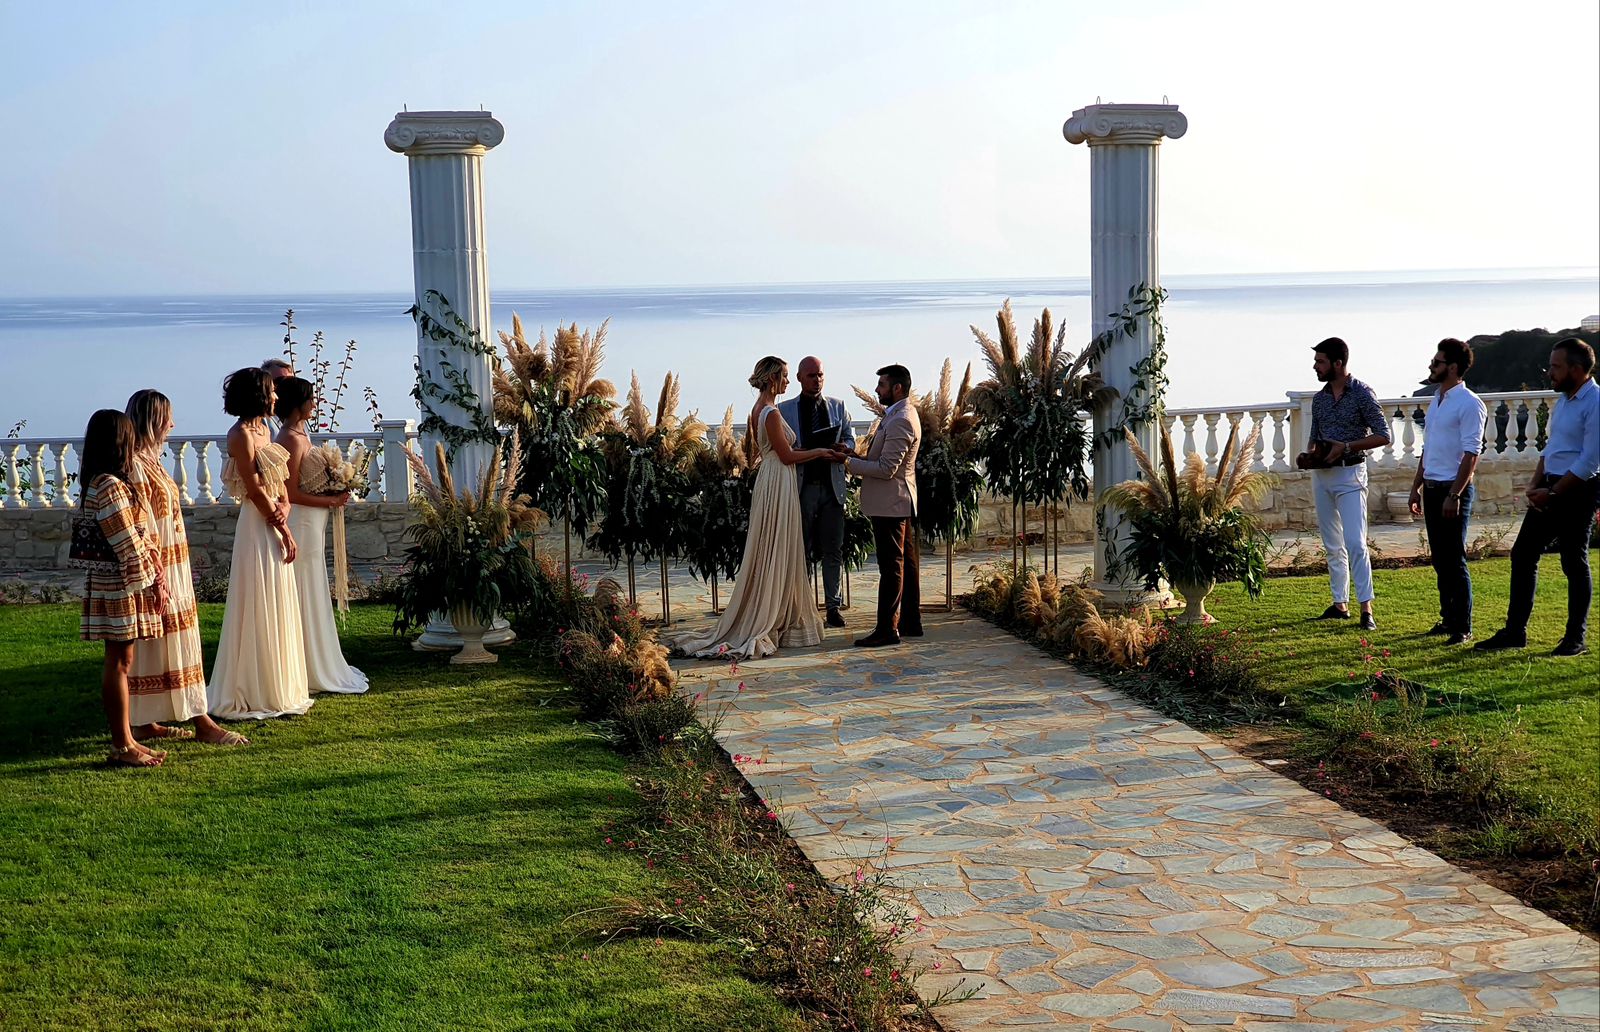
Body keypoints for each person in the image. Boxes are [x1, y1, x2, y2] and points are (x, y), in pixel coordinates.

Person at [669, 356, 842, 660]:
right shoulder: (771, 412)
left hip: (774, 479)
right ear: (773, 378)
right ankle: (769, 616)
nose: (788, 382)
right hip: (778, 480)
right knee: (778, 546)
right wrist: (820, 452)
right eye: (785, 377)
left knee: (777, 547)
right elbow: (787, 455)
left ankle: (780, 611)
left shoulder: (759, 408)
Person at [124, 390, 248, 745]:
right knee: (163, 640)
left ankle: (148, 720)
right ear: (153, 420)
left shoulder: (151, 460)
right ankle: (200, 721)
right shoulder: (134, 463)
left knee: (175, 638)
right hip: (159, 564)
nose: (173, 424)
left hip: (173, 561)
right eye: (168, 418)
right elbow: (142, 522)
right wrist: (155, 571)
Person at [1478, 337, 1600, 657]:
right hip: (1549, 486)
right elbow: (1551, 448)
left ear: (1576, 369)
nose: (1550, 373)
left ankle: (1576, 638)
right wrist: (1536, 485)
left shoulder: (1595, 402)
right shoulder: (1563, 400)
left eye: (1556, 367)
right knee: (1523, 554)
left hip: (1577, 489)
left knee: (1573, 561)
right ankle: (1515, 631)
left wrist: (1554, 493)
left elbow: (1589, 462)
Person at [206, 367, 313, 719]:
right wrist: (281, 525)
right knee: (258, 597)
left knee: (278, 595)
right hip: (257, 524)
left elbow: (277, 477)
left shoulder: (265, 430)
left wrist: (284, 505)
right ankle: (253, 686)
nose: (277, 397)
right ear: (258, 395)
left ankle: (278, 683)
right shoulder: (239, 435)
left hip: (273, 515)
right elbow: (252, 489)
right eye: (271, 391)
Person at [77, 409, 169, 768]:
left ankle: (127, 738)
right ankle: (120, 742)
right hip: (120, 584)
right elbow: (127, 542)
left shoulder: (100, 482)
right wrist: (153, 583)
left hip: (117, 582)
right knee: (118, 662)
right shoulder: (109, 485)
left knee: (122, 660)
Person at [274, 376, 369, 695]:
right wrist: (329, 499)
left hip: (316, 520)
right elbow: (291, 493)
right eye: (311, 398)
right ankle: (306, 665)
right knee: (304, 586)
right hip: (303, 519)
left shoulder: (302, 432)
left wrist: (336, 484)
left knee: (314, 584)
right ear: (298, 403)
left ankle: (318, 658)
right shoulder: (288, 437)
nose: (315, 402)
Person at [1303, 337, 1391, 631]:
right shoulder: (1319, 399)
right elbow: (1315, 438)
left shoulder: (1362, 393)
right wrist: (1311, 456)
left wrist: (1347, 446)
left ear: (1338, 363)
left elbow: (1384, 435)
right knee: (1332, 544)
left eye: (1321, 361)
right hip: (1323, 477)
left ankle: (1367, 609)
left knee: (1355, 542)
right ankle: (1340, 603)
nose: (1315, 366)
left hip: (1351, 475)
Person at [1407, 340, 1487, 646]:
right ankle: (1448, 617)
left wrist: (1455, 494)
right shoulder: (1437, 400)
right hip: (1432, 487)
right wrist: (1416, 486)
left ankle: (1463, 625)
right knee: (1440, 559)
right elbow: (1429, 450)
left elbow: (1471, 453)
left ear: (1452, 367)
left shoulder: (1469, 403)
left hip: (1453, 491)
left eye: (1436, 362)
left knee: (1454, 559)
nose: (1431, 366)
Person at [843, 364, 922, 647]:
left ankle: (888, 629)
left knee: (892, 567)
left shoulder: (901, 419)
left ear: (897, 388)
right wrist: (853, 454)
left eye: (882, 385)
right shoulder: (899, 414)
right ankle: (911, 622)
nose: (877, 390)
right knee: (906, 564)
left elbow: (887, 468)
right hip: (898, 500)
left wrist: (848, 463)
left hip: (891, 502)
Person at [776, 356, 855, 628]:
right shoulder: (784, 409)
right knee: (803, 551)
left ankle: (833, 607)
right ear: (799, 378)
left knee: (834, 550)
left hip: (833, 489)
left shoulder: (838, 406)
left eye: (820, 375)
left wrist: (843, 449)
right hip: (803, 487)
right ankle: (806, 607)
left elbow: (850, 438)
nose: (817, 380)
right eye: (811, 375)